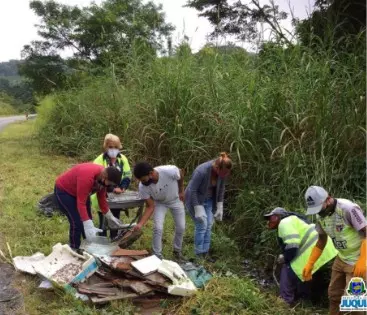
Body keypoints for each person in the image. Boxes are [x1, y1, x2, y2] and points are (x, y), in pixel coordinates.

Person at [302, 186, 367, 315]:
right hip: (341, 258)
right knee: (334, 295)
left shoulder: (348, 209)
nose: (319, 212)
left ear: (328, 199)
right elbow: (321, 240)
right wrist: (310, 263)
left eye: (320, 208)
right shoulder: (320, 216)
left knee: (354, 305)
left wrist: (363, 260)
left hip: (359, 260)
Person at [264, 207, 337, 306]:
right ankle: (304, 301)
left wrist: (285, 258)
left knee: (288, 268)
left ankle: (285, 301)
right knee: (304, 273)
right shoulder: (294, 219)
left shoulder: (284, 223)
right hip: (328, 251)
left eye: (271, 218)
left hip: (316, 250)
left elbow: (292, 245)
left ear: (279, 217)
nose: (269, 221)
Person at [54, 163, 125, 249]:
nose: (109, 185)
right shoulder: (87, 177)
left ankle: (88, 246)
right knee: (77, 222)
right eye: (109, 182)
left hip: (81, 192)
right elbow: (81, 203)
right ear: (105, 176)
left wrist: (110, 216)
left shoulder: (103, 180)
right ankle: (74, 248)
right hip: (65, 191)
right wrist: (86, 223)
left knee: (88, 220)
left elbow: (101, 199)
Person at [132, 162, 186, 261]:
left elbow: (181, 174)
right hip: (160, 203)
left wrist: (181, 190)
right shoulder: (142, 186)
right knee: (158, 227)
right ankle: (157, 255)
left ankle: (177, 251)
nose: (142, 182)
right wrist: (140, 224)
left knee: (181, 227)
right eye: (140, 180)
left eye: (143, 180)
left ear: (151, 173)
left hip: (175, 200)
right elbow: (150, 206)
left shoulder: (169, 171)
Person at [184, 152, 232, 261]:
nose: (224, 176)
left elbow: (221, 189)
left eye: (226, 174)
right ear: (216, 167)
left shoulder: (223, 172)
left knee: (209, 225)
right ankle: (198, 254)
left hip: (209, 200)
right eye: (223, 173)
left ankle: (205, 252)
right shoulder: (201, 171)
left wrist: (220, 206)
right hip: (194, 199)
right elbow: (192, 190)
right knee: (202, 225)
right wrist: (197, 208)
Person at [91, 133, 132, 239]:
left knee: (115, 219)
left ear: (119, 147)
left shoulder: (122, 159)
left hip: (117, 196)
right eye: (110, 147)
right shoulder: (99, 160)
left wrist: (122, 187)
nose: (113, 149)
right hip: (102, 195)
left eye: (116, 147)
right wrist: (113, 188)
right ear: (105, 147)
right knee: (103, 222)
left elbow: (127, 175)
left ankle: (114, 240)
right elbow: (98, 180)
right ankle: (102, 240)